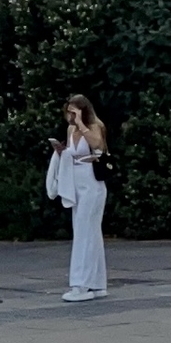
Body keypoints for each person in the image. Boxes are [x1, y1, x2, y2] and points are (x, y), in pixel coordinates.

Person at [47, 95, 110, 302]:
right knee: (88, 232)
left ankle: (80, 284)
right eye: (69, 111)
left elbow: (98, 146)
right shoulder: (70, 130)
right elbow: (71, 154)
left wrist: (82, 123)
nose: (70, 116)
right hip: (77, 185)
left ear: (83, 111)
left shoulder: (94, 126)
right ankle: (98, 283)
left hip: (92, 185)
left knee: (85, 232)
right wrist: (61, 152)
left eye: (74, 112)